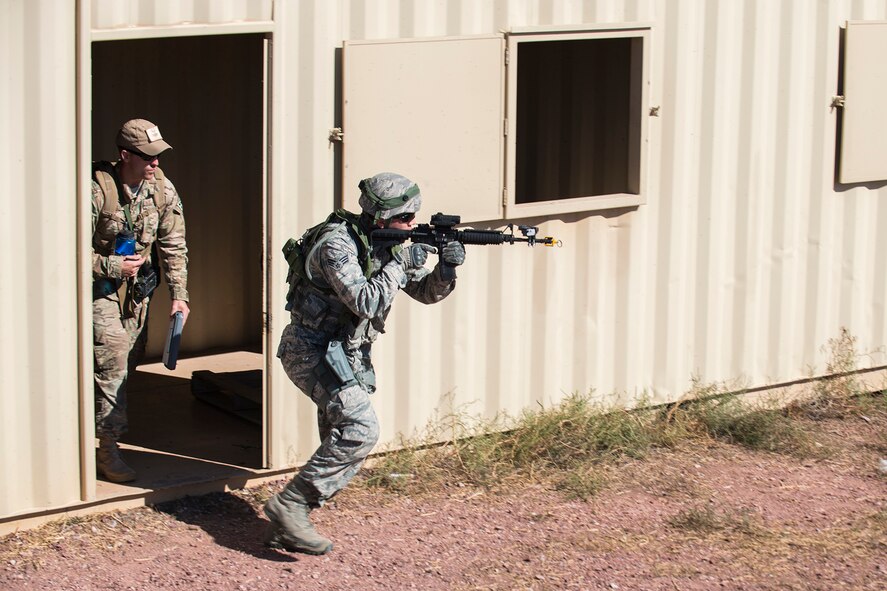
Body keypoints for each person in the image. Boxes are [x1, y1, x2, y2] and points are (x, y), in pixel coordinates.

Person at [265, 172, 466, 554]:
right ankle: (289, 505)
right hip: (310, 351)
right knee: (361, 427)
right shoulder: (336, 245)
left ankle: (288, 524)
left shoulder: (387, 243)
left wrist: (446, 269)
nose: (411, 227)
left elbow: (424, 292)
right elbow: (366, 301)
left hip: (344, 354)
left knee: (341, 437)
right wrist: (400, 261)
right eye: (405, 219)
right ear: (379, 218)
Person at [92, 118, 190, 483]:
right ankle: (108, 448)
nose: (155, 164)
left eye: (158, 156)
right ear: (124, 155)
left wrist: (179, 295)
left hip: (137, 294)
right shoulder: (97, 190)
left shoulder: (161, 190)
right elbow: (66, 249)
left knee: (128, 359)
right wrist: (111, 265)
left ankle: (100, 427)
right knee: (114, 357)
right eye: (148, 158)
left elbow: (173, 245)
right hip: (99, 291)